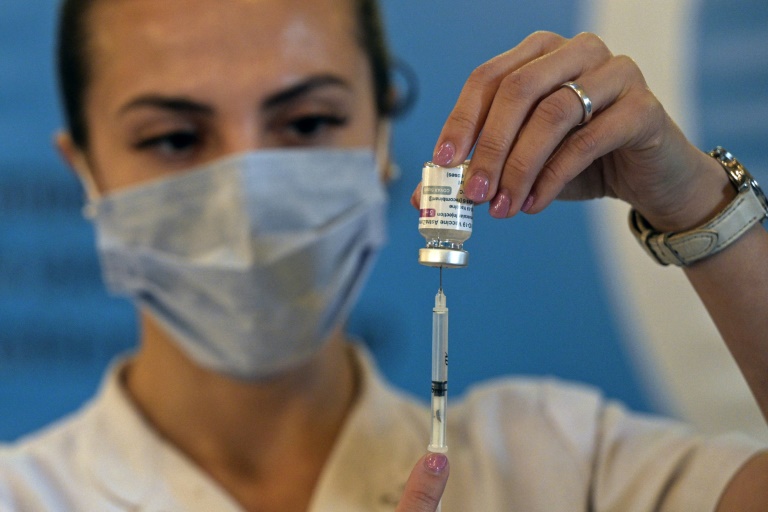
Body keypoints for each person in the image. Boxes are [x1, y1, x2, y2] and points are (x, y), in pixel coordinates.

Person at [1, 0, 767, 510]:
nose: (249, 195)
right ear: (85, 170)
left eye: (306, 123)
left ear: (380, 145)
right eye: (174, 138)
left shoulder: (559, 465)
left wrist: (698, 206)